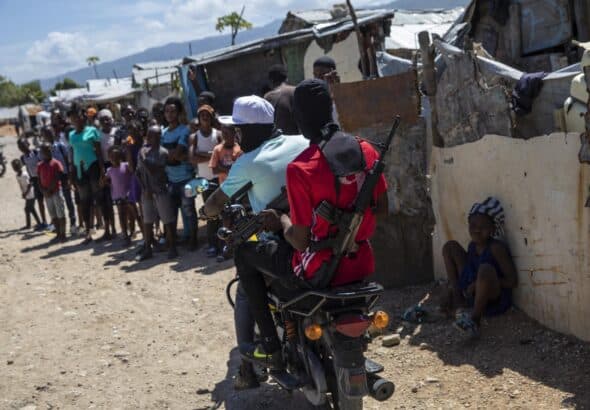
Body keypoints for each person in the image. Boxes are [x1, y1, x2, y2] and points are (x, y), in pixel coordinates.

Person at [234, 79, 388, 370]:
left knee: (244, 254)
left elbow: (300, 241)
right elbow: (383, 208)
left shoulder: (302, 167)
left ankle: (271, 348)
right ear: (330, 109)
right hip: (362, 262)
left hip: (318, 270)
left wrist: (281, 220)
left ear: (300, 119)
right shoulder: (367, 150)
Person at [203, 95, 309, 389]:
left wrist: (205, 212)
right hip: (316, 234)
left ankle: (259, 362)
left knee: (245, 279)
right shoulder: (303, 142)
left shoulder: (248, 163)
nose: (236, 135)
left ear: (250, 130)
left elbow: (216, 202)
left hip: (282, 243)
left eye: (239, 130)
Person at [442, 197, 517, 338]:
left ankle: (474, 320)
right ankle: (459, 301)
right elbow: (469, 269)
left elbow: (512, 281)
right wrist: (455, 287)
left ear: (492, 229)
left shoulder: (496, 248)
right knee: (450, 247)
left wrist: (477, 284)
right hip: (472, 290)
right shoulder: (472, 246)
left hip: (491, 297)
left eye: (483, 227)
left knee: (485, 269)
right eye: (473, 225)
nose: (476, 230)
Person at [161, 96, 198, 251]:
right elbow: (165, 155)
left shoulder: (185, 130)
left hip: (186, 177)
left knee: (189, 210)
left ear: (178, 112)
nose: (169, 114)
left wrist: (168, 154)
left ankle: (193, 240)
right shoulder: (163, 133)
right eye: (167, 111)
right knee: (173, 212)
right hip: (170, 178)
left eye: (173, 111)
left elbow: (177, 154)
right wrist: (173, 155)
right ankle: (176, 241)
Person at [67, 102, 106, 244]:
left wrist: (102, 170)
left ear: (83, 117)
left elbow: (98, 151)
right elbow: (72, 154)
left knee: (99, 198)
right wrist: (71, 174)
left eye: (77, 117)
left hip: (93, 167)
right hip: (79, 170)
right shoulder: (71, 135)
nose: (76, 120)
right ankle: (88, 232)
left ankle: (107, 228)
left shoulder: (92, 131)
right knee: (85, 202)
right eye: (73, 118)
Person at [136, 125, 178, 260]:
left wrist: (145, 159)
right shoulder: (142, 151)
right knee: (147, 221)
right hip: (147, 192)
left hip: (160, 190)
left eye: (157, 135)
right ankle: (148, 248)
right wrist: (144, 188)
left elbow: (156, 172)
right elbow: (137, 172)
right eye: (151, 135)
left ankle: (172, 247)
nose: (154, 138)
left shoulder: (163, 152)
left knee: (167, 220)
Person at [190, 104, 220, 257]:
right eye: (202, 115)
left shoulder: (218, 134)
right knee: (209, 213)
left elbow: (221, 155)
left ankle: (222, 243)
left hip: (219, 178)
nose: (205, 117)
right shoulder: (195, 137)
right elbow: (193, 158)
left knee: (222, 212)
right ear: (199, 118)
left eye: (207, 115)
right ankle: (212, 244)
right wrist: (211, 155)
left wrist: (204, 154)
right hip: (204, 180)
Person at [42, 126, 77, 232]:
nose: (48, 135)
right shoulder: (44, 148)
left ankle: (73, 223)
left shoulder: (60, 146)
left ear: (53, 133)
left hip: (63, 176)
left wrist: (70, 177)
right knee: (56, 202)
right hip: (52, 180)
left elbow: (67, 161)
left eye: (49, 133)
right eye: (45, 134)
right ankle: (58, 226)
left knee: (68, 200)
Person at [103, 146, 133, 245]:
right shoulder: (109, 170)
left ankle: (131, 232)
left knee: (131, 215)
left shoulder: (126, 165)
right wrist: (110, 185)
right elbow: (103, 182)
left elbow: (132, 173)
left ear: (120, 157)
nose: (113, 159)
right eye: (111, 157)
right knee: (121, 216)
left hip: (128, 195)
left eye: (115, 157)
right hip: (117, 197)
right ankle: (125, 235)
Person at [37, 143, 67, 242]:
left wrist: (49, 189)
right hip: (47, 194)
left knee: (61, 214)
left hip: (56, 192)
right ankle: (58, 234)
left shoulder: (56, 163)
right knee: (53, 215)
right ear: (41, 153)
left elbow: (58, 176)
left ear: (51, 151)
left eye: (48, 150)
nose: (47, 153)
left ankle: (63, 234)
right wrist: (43, 190)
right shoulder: (40, 165)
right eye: (44, 151)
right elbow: (39, 180)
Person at [96, 109, 117, 240]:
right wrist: (102, 172)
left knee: (122, 199)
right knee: (106, 202)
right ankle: (109, 229)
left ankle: (123, 229)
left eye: (107, 118)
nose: (105, 121)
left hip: (118, 166)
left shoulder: (117, 133)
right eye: (102, 119)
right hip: (105, 167)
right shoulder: (98, 136)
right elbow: (99, 155)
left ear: (112, 119)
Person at [18, 138, 47, 229]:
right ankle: (44, 222)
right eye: (20, 146)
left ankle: (54, 221)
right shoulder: (23, 158)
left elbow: (44, 163)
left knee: (49, 198)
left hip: (43, 177)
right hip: (34, 180)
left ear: (28, 144)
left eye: (23, 145)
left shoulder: (36, 153)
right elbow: (24, 168)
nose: (22, 147)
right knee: (40, 201)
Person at [264, 64, 298, 135]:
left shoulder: (267, 97)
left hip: (279, 141)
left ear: (271, 81)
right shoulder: (295, 91)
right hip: (299, 138)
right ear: (286, 78)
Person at [12, 159, 42, 230]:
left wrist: (25, 193)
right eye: (14, 167)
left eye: (16, 167)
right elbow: (21, 185)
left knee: (27, 209)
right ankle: (39, 222)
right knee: (31, 209)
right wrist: (23, 193)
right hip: (27, 194)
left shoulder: (24, 174)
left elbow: (30, 184)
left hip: (31, 193)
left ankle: (28, 225)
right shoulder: (18, 175)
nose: (15, 169)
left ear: (20, 166)